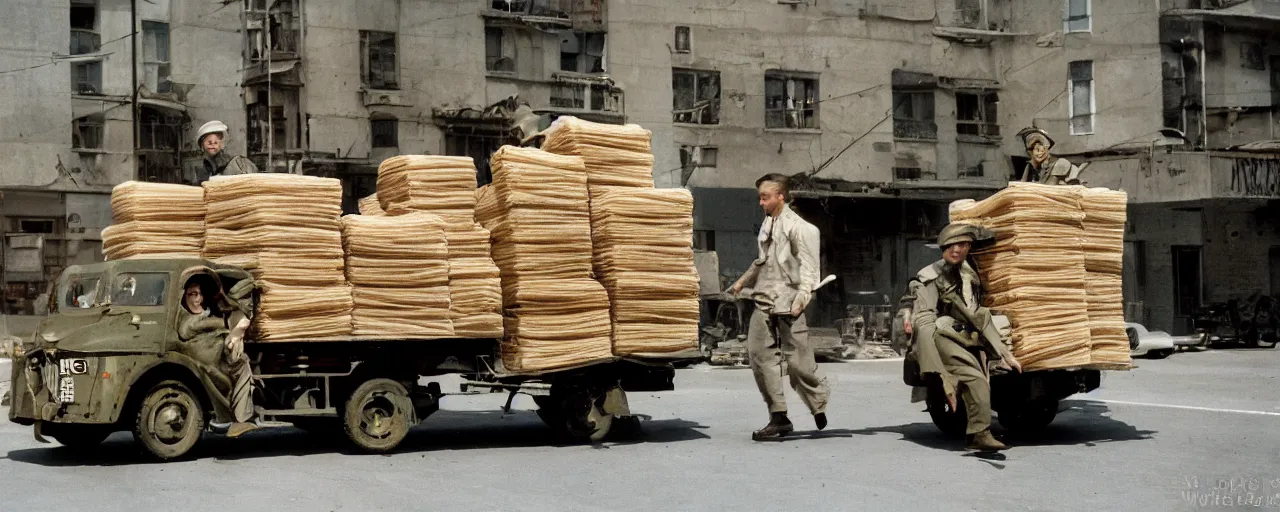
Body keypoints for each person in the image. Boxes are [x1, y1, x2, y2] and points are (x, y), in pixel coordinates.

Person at [905, 222, 1022, 451]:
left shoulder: (968, 275)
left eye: (963, 244)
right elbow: (925, 319)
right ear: (943, 248)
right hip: (941, 336)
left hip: (965, 336)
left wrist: (1004, 353)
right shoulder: (930, 277)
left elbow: (978, 315)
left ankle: (978, 431)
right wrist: (935, 367)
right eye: (951, 245)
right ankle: (981, 433)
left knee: (981, 380)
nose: (956, 250)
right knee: (975, 378)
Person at [730, 173, 830, 441]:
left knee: (798, 364)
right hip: (764, 300)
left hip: (789, 303)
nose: (761, 202)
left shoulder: (801, 228)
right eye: (760, 197)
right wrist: (742, 282)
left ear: (781, 197)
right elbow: (762, 260)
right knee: (759, 356)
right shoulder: (767, 224)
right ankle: (779, 417)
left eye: (765, 197)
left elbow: (810, 269)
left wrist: (801, 299)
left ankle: (817, 402)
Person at [178, 280, 258, 438]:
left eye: (200, 295)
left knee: (240, 358)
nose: (197, 300)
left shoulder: (205, 314)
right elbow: (188, 329)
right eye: (192, 294)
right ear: (184, 297)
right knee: (242, 364)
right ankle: (241, 417)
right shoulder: (188, 319)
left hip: (216, 362)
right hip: (210, 368)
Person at [194, 120, 258, 184]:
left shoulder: (239, 164)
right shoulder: (200, 172)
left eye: (216, 141)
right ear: (202, 146)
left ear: (223, 144)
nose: (212, 144)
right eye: (209, 142)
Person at [1017, 127, 1083, 185]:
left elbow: (1050, 188)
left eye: (1043, 145)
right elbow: (1022, 186)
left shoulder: (1061, 164)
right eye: (1032, 148)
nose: (1040, 151)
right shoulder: (1030, 167)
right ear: (1029, 152)